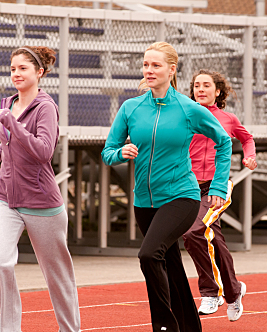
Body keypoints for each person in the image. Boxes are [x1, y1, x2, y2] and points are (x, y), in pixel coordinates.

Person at [102, 42, 233, 332]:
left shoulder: (188, 109)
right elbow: (107, 151)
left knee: (149, 255)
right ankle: (190, 327)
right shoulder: (131, 108)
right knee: (170, 265)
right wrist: (119, 153)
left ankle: (164, 326)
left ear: (171, 69)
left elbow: (224, 141)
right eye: (146, 65)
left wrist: (219, 185)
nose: (149, 70)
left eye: (156, 65)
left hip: (181, 197)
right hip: (144, 203)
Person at [0, 46, 81, 332]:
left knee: (57, 274)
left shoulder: (46, 107)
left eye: (23, 68)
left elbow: (43, 151)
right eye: (13, 68)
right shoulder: (8, 103)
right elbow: (10, 141)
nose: (16, 74)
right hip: (5, 197)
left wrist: (12, 123)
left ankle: (70, 329)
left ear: (39, 72)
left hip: (41, 202)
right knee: (0, 263)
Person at [182, 69, 256, 320]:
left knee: (193, 231)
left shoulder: (228, 119)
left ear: (217, 91)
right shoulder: (185, 116)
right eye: (196, 86)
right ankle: (234, 291)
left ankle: (210, 293)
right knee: (214, 240)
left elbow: (247, 138)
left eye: (206, 85)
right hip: (189, 186)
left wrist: (250, 156)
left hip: (217, 186)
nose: (200, 89)